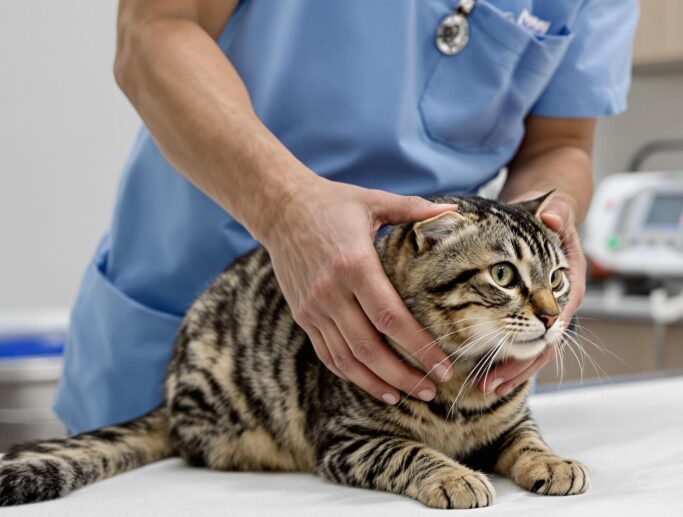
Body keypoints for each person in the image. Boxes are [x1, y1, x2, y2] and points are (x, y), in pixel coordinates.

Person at [55, 0, 638, 434]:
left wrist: (543, 232)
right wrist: (285, 210)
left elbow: (559, 142)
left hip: (430, 366)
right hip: (212, 345)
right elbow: (152, 30)